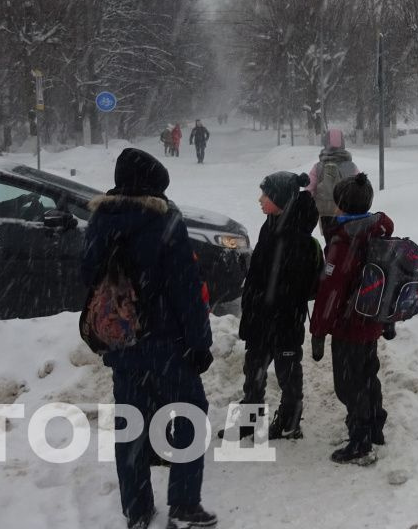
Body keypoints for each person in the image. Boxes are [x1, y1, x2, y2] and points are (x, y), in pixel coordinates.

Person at [81, 148, 217, 529]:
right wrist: (199, 341)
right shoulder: (164, 221)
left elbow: (87, 274)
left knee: (131, 426)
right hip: (167, 343)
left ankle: (137, 510)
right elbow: (187, 288)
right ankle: (185, 504)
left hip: (122, 343)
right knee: (191, 413)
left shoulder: (100, 219)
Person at [223, 172, 321, 441]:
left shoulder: (296, 236)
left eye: (265, 194)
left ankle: (290, 423)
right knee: (252, 373)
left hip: (284, 320)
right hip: (260, 317)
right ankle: (248, 423)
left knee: (288, 373)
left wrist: (276, 310)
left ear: (278, 198)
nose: (260, 199)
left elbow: (293, 286)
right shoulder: (271, 224)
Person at [309, 173, 393, 466]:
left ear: (340, 205)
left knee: (349, 385)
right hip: (371, 321)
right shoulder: (377, 231)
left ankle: (359, 441)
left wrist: (318, 332)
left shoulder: (344, 241)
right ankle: (375, 427)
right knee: (368, 375)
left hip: (349, 326)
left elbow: (329, 293)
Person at [307, 129, 361, 237]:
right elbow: (360, 188)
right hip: (345, 210)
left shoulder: (318, 166)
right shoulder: (351, 166)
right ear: (343, 143)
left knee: (329, 239)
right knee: (345, 239)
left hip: (324, 211)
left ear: (325, 143)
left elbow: (309, 189)